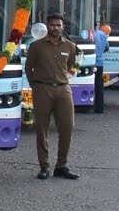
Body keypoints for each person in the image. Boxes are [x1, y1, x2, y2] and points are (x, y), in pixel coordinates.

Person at [24, 13, 80, 180]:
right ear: (47, 26)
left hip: (63, 89)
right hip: (42, 89)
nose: (55, 28)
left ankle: (61, 166)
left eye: (58, 25)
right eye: (52, 25)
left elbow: (70, 66)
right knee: (42, 128)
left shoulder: (70, 46)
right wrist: (35, 86)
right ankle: (44, 166)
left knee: (68, 127)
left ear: (63, 27)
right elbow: (29, 68)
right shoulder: (37, 46)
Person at [93, 22, 108, 114]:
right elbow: (106, 47)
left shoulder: (89, 35)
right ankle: (100, 107)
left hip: (90, 62)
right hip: (100, 63)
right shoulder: (102, 34)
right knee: (99, 85)